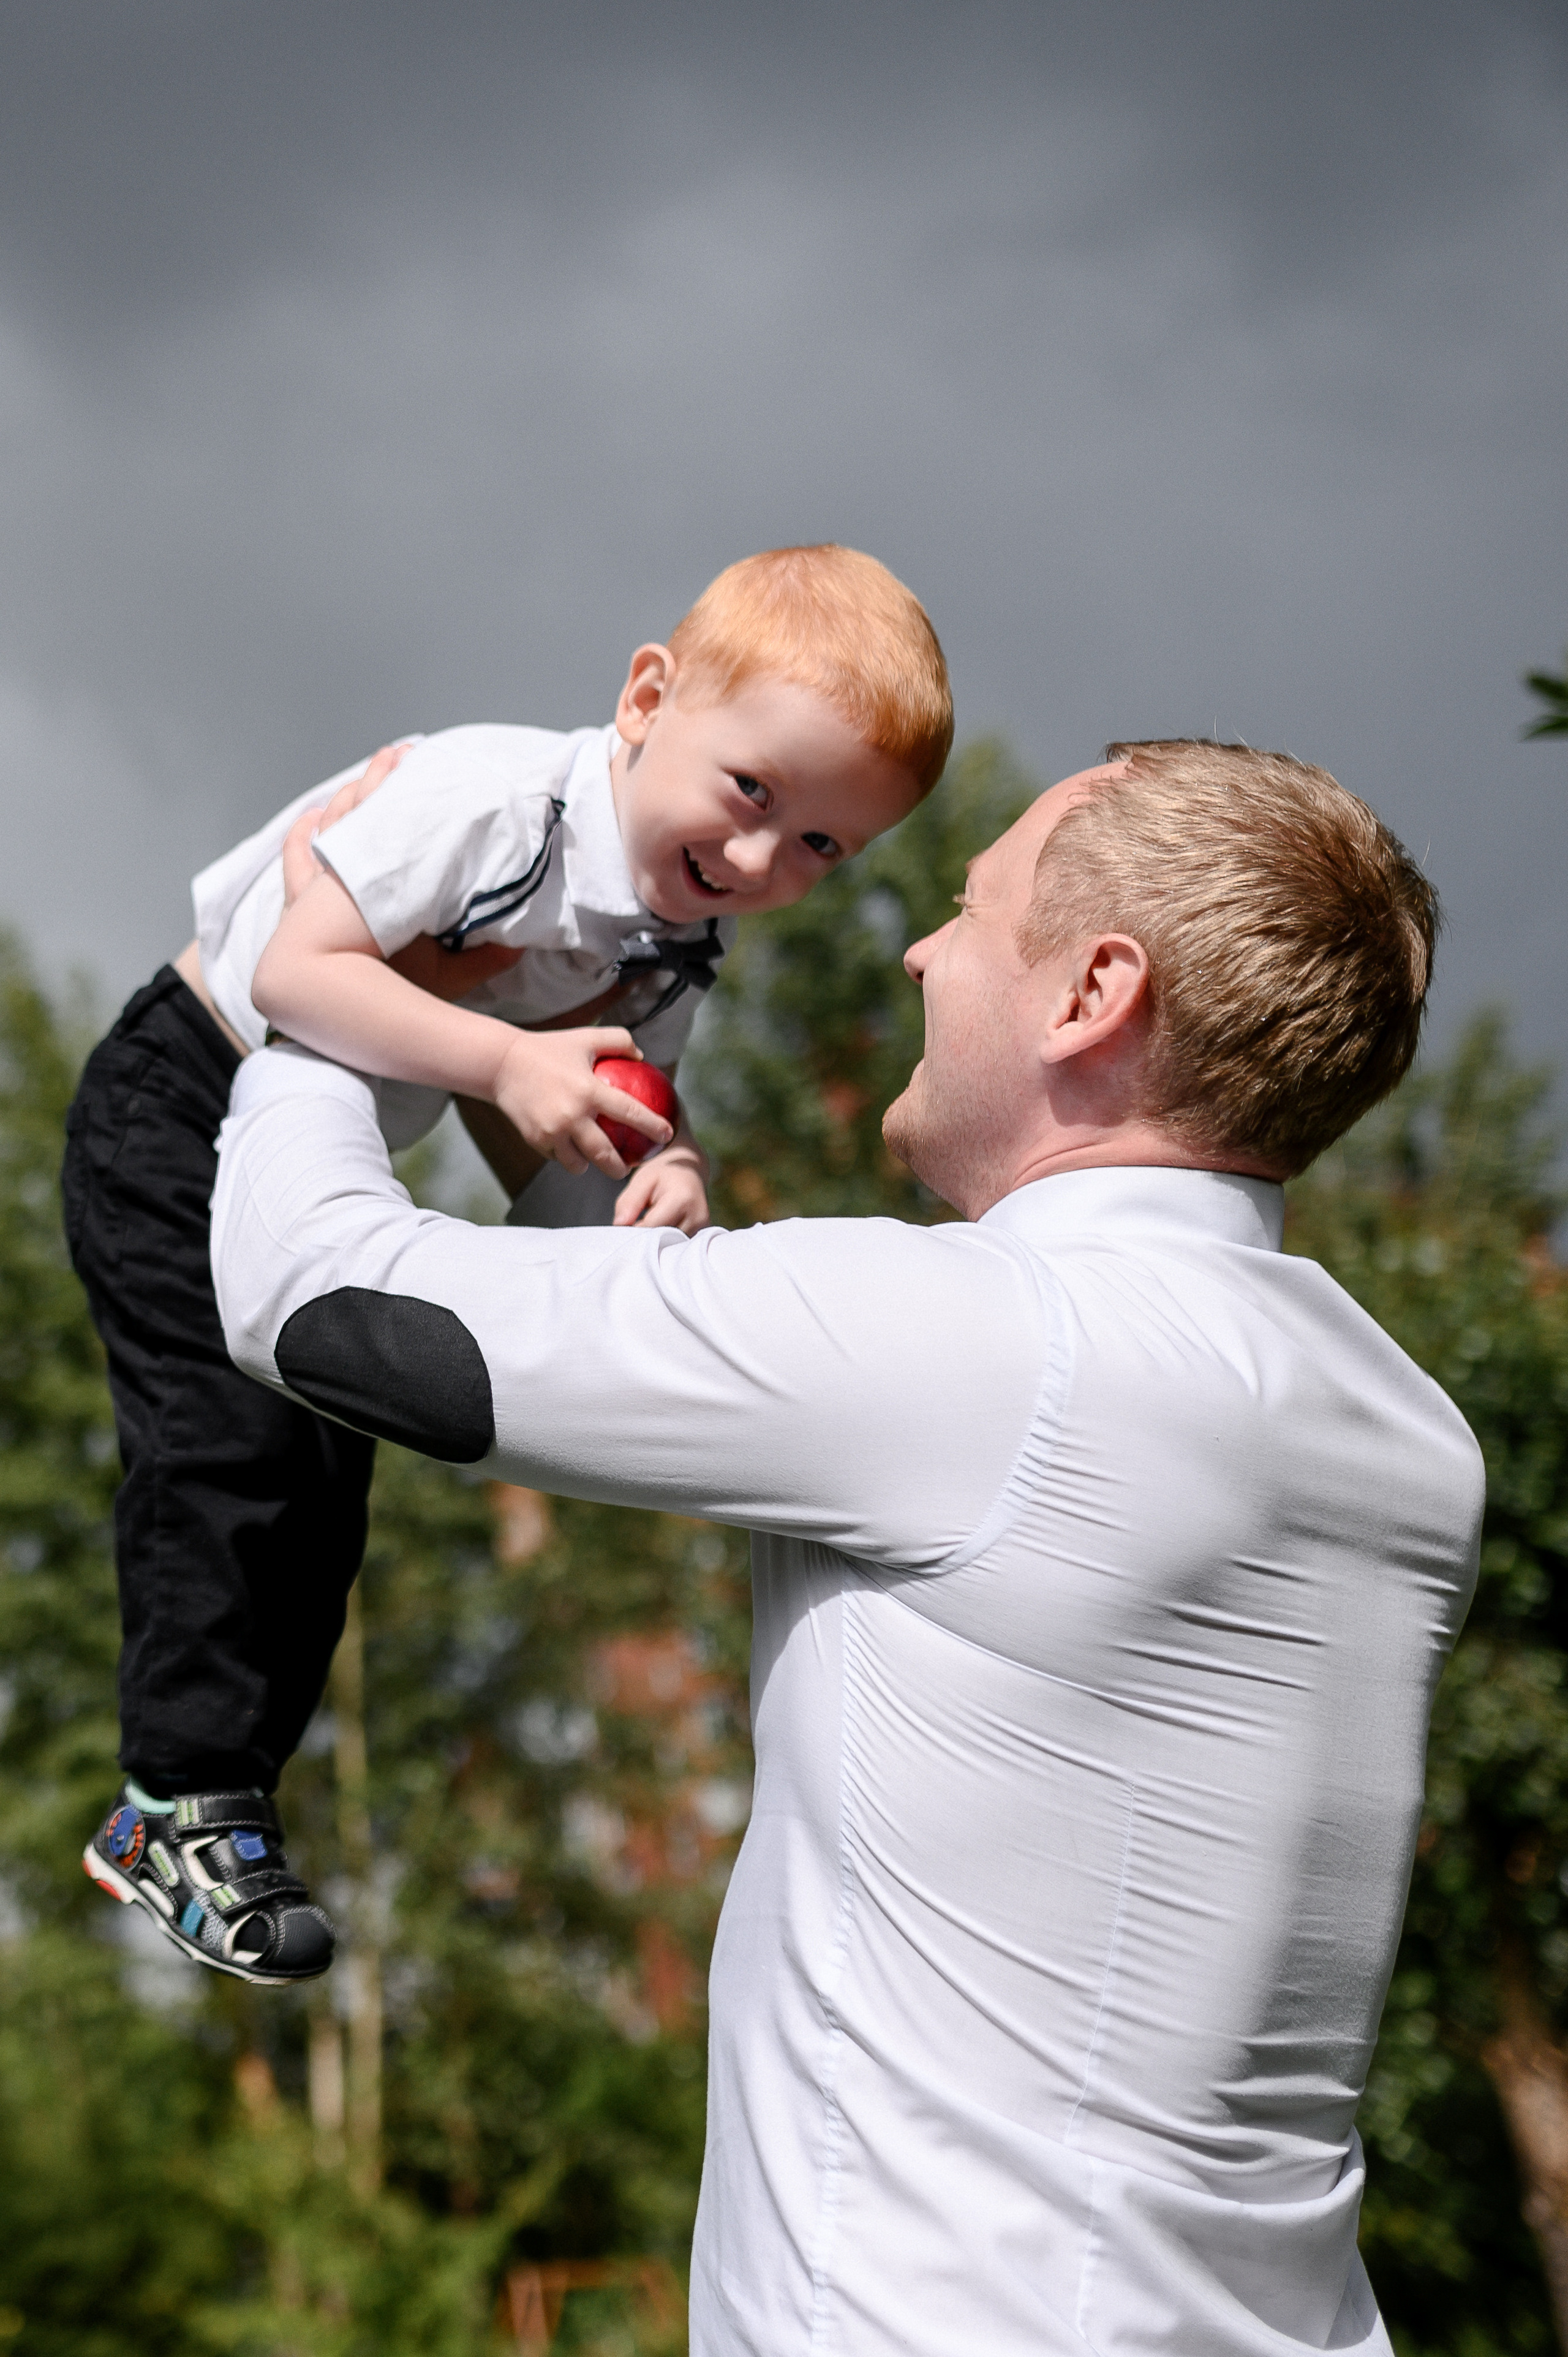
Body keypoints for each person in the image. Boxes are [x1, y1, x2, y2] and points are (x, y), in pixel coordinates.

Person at [206, 735, 1483, 2355]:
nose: (920, 946)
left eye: (974, 903)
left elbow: (314, 1300)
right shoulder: (1400, 1423)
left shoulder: (991, 1349)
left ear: (1094, 992)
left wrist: (313, 978)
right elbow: (688, 1339)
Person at [68, 543, 948, 1986]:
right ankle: (179, 1790)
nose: (755, 860)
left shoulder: (675, 935)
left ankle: (228, 1802)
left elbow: (573, 1115)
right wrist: (504, 1061)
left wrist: (653, 1174)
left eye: (821, 848)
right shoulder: (498, 805)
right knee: (223, 1442)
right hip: (185, 1094)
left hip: (298, 1130)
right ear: (648, 697)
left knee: (321, 1481)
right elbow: (301, 974)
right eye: (751, 793)